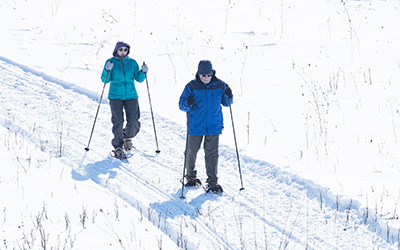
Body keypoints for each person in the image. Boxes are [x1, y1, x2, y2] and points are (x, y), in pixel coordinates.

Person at [179, 60, 233, 193]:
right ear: (198, 74)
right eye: (203, 75)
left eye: (208, 75)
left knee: (212, 153)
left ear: (212, 73)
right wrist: (188, 102)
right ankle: (190, 175)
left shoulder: (220, 85)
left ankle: (212, 181)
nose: (206, 78)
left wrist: (229, 95)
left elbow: (227, 103)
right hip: (195, 125)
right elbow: (181, 105)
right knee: (191, 151)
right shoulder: (191, 86)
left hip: (214, 125)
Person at [101, 41, 148, 159]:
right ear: (116, 50)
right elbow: (105, 80)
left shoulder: (132, 63)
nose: (123, 52)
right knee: (118, 121)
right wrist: (107, 70)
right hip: (115, 96)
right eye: (121, 49)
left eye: (125, 50)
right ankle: (117, 146)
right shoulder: (110, 62)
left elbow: (139, 79)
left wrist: (143, 72)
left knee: (133, 121)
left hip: (131, 95)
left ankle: (127, 137)